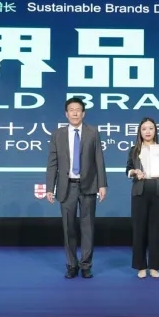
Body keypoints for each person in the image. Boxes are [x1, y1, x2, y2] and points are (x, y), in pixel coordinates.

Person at [45, 97, 107, 279]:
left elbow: (99, 160)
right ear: (66, 114)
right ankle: (72, 265)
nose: (74, 113)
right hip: (67, 187)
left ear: (83, 113)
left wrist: (102, 184)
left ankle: (86, 265)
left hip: (88, 185)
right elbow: (52, 163)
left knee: (88, 228)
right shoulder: (58, 134)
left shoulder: (93, 132)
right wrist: (49, 187)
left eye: (78, 110)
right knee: (68, 228)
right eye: (71, 110)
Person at [125, 117, 159, 279]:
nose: (147, 131)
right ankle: (140, 266)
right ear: (140, 132)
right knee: (139, 230)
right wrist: (134, 172)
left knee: (157, 230)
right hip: (139, 191)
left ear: (155, 131)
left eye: (151, 128)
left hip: (157, 191)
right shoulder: (134, 150)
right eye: (144, 129)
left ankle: (154, 266)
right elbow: (128, 169)